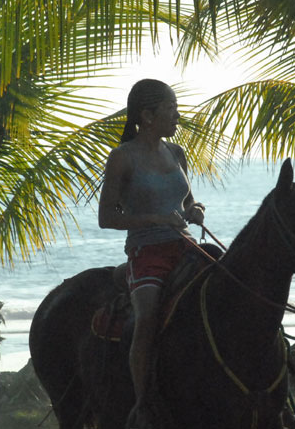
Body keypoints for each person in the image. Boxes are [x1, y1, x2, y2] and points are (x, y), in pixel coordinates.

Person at [98, 79, 205, 428]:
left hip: (184, 245)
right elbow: (107, 218)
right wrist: (157, 218)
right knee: (146, 318)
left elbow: (186, 200)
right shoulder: (121, 158)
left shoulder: (176, 153)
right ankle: (143, 404)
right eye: (171, 108)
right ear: (147, 114)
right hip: (147, 250)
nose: (177, 115)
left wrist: (195, 209)